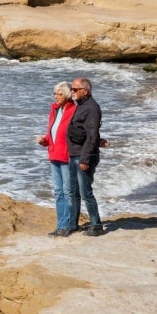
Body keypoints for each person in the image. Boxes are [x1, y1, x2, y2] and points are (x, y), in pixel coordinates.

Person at [66, 77, 107, 236]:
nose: (73, 92)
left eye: (75, 90)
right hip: (74, 154)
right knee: (73, 192)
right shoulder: (80, 106)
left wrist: (85, 159)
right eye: (72, 89)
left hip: (83, 157)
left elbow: (92, 135)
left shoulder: (91, 108)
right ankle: (72, 224)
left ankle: (96, 225)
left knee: (85, 193)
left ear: (86, 91)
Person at [37, 81, 76, 238]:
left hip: (67, 157)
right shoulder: (54, 110)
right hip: (54, 155)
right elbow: (53, 132)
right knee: (58, 192)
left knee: (68, 192)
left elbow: (80, 133)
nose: (56, 96)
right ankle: (60, 225)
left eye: (59, 94)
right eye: (55, 93)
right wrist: (45, 140)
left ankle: (68, 225)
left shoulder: (74, 110)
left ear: (67, 95)